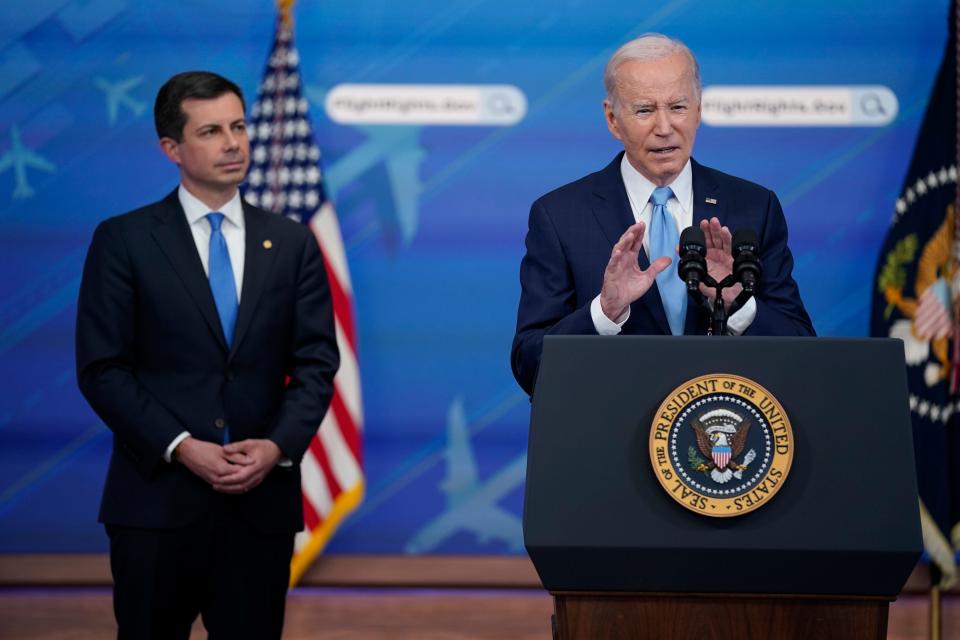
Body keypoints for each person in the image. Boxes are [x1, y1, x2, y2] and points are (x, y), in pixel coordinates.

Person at [76, 71, 339, 639]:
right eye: (212, 130)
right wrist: (181, 447)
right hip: (155, 506)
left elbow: (318, 364)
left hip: (259, 507)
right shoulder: (123, 240)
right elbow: (103, 368)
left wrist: (275, 446)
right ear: (171, 148)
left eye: (240, 126)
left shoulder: (292, 242)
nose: (233, 143)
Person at [511, 34, 814, 395]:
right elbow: (530, 365)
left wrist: (737, 304)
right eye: (644, 110)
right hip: (607, 436)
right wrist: (604, 312)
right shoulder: (560, 216)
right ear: (612, 119)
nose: (665, 127)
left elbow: (803, 352)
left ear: (699, 110)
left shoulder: (754, 207)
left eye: (678, 107)